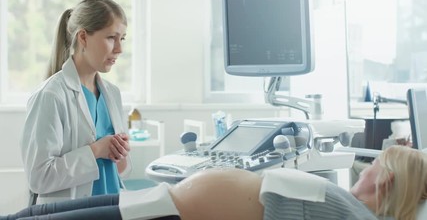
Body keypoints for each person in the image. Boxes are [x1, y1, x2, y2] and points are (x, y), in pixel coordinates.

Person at [3, 145, 427, 220]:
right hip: (162, 200)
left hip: (170, 213)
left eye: (374, 166)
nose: (363, 168)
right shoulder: (346, 202)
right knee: (36, 213)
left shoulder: (354, 214)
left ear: (387, 179)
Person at [20, 0, 131, 204]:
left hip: (113, 207)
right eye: (111, 38)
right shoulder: (50, 95)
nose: (119, 49)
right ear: (83, 37)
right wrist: (96, 150)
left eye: (122, 39)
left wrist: (120, 152)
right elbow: (38, 178)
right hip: (73, 212)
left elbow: (120, 171)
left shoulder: (112, 94)